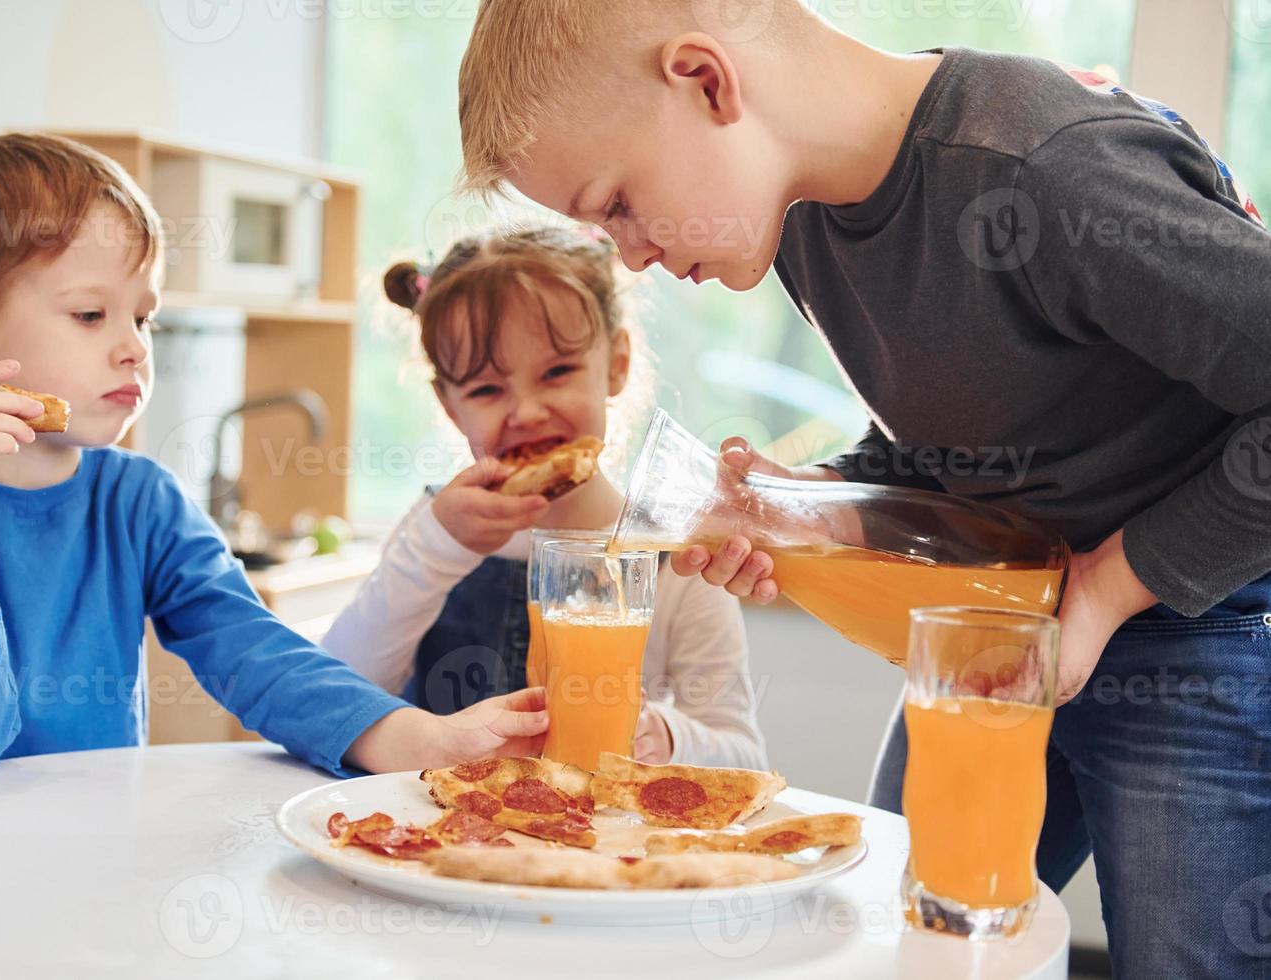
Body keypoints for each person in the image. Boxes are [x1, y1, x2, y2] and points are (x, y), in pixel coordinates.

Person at [454, 2, 1271, 975]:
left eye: (617, 203)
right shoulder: (800, 214)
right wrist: (808, 502)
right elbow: (968, 429)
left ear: (707, 80)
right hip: (1005, 622)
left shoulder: (1044, 167)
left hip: (1202, 616)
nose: (628, 257)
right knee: (902, 941)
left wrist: (1107, 591)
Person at [0, 133, 545, 791]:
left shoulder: (138, 501)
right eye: (90, 315)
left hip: (80, 873)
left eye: (144, 317)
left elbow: (254, 650)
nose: (135, 346)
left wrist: (426, 738)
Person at [321, 226, 765, 768]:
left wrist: (665, 736)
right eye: (486, 389)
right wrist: (438, 546)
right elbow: (335, 699)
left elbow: (745, 758)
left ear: (617, 363)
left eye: (556, 372)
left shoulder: (679, 557)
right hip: (433, 835)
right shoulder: (434, 532)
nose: (527, 412)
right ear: (449, 404)